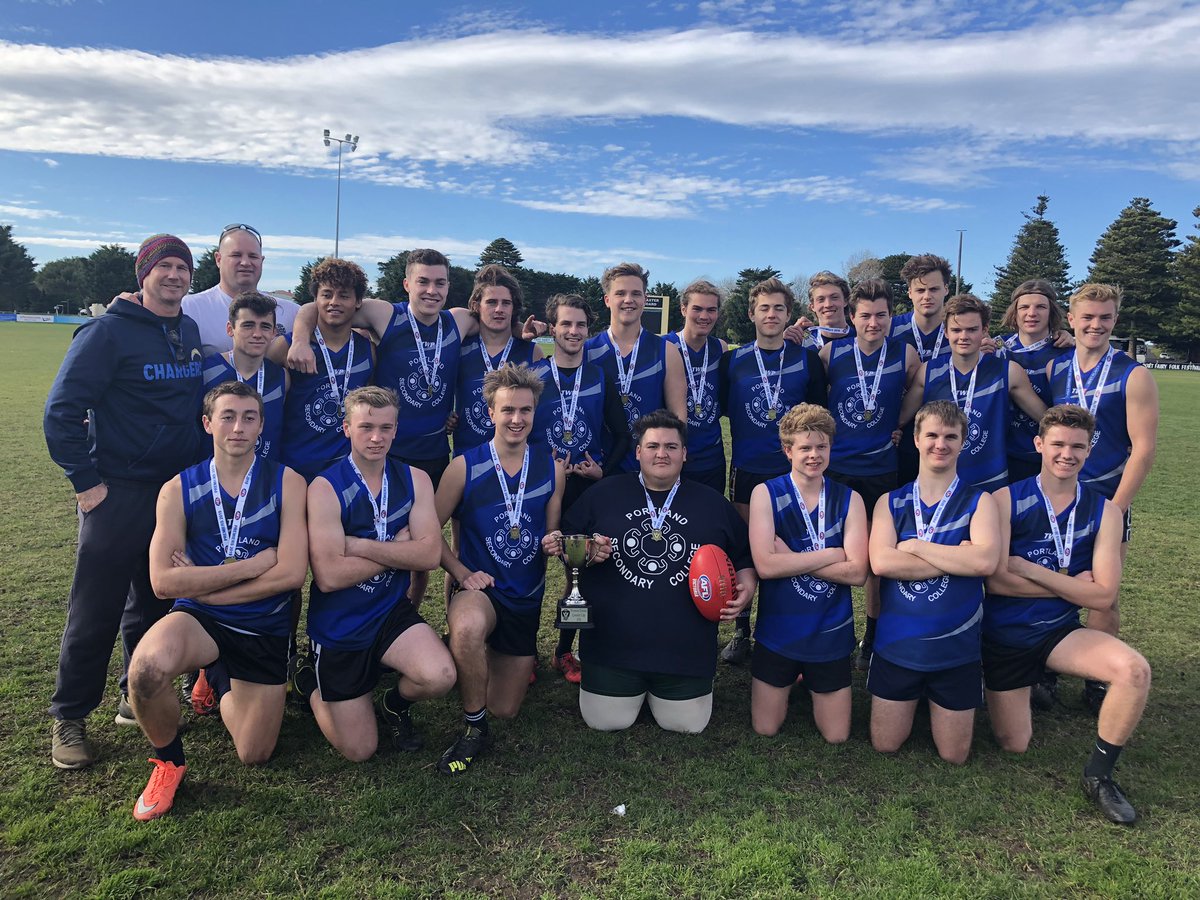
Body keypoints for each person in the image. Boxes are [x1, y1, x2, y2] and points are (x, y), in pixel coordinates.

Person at [288, 249, 542, 609]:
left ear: (448, 286)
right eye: (422, 281)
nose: (431, 290)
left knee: (425, 544)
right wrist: (300, 338)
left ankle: (408, 616)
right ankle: (361, 617)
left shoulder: (457, 321)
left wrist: (520, 329)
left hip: (436, 453)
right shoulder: (385, 314)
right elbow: (323, 304)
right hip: (389, 453)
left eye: (439, 282)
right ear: (407, 283)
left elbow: (495, 319)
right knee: (379, 540)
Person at [44, 234, 205, 769]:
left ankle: (132, 693)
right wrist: (86, 482)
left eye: (183, 267)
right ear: (144, 274)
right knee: (96, 607)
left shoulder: (187, 329)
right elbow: (62, 411)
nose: (175, 275)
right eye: (165, 266)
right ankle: (69, 715)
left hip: (171, 494)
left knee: (154, 602)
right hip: (118, 491)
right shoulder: (106, 332)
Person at [127, 382, 308, 820]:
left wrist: (202, 581)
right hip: (199, 616)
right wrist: (249, 566)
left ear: (262, 425)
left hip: (263, 624)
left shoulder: (289, 482)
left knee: (254, 754)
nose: (238, 427)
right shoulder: (177, 489)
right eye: (228, 416)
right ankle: (169, 762)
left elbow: (290, 574)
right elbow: (163, 583)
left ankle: (218, 675)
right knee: (146, 670)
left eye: (249, 417)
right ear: (208, 423)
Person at [984, 404, 1150, 825]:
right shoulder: (1004, 500)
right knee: (1013, 744)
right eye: (1057, 443)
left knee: (1133, 670)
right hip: (1001, 636)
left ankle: (1099, 775)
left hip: (1058, 633)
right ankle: (1004, 684)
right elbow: (996, 581)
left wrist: (1032, 569)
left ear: (1089, 450)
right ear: (1039, 444)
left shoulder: (1106, 511)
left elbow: (1104, 595)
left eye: (1077, 446)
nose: (1067, 453)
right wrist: (1071, 581)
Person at [559, 410, 757, 734]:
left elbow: (744, 555)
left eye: (671, 446)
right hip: (612, 648)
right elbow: (568, 542)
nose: (661, 454)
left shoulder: (712, 503)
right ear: (638, 452)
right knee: (606, 721)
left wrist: (747, 584)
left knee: (687, 724)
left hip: (685, 652)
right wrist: (586, 553)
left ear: (684, 453)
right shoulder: (603, 494)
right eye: (652, 446)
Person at [296, 387, 455, 761]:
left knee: (440, 675)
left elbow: (430, 553)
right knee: (360, 750)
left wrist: (360, 546)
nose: (376, 437)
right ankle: (310, 684)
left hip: (388, 612)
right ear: (347, 427)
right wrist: (400, 552)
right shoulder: (324, 487)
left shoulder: (415, 479)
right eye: (366, 427)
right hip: (340, 627)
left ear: (396, 430)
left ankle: (393, 701)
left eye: (386, 428)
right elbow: (330, 576)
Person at [435, 365, 565, 774]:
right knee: (471, 626)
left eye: (525, 410)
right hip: (480, 588)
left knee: (505, 707)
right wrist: (459, 571)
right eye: (507, 409)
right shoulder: (463, 466)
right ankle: (474, 729)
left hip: (524, 598)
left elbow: (552, 531)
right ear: (490, 412)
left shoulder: (551, 468)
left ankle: (469, 659)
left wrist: (554, 541)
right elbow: (427, 534)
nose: (516, 419)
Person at [868, 400, 1001, 764]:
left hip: (956, 651)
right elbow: (881, 562)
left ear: (962, 442)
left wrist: (913, 547)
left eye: (950, 437)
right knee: (885, 744)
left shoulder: (981, 501)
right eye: (931, 435)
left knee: (954, 755)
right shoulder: (889, 502)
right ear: (916, 438)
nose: (939, 444)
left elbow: (985, 561)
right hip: (898, 647)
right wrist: (956, 559)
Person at [1048, 283, 1159, 714]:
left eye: (1106, 318)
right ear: (1071, 320)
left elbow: (1144, 449)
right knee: (1052, 578)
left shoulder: (1134, 374)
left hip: (1108, 497)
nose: (1096, 325)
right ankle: (1047, 668)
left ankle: (1098, 680)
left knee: (1104, 591)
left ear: (1115, 320)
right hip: (1058, 497)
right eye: (1088, 317)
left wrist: (1116, 506)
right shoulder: (1057, 368)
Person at [719, 277, 827, 664]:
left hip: (793, 476)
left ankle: (785, 630)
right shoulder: (732, 360)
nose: (771, 314)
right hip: (747, 470)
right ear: (751, 314)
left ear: (788, 314)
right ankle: (741, 632)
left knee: (793, 551)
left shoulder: (806, 359)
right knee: (746, 551)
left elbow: (819, 415)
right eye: (764, 308)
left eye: (779, 308)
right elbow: (721, 408)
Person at [747, 404, 868, 742]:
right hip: (779, 633)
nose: (814, 455)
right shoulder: (765, 493)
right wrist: (831, 554)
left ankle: (809, 680)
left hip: (831, 635)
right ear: (788, 451)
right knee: (765, 728)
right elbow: (766, 567)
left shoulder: (850, 499)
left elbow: (858, 572)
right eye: (805, 448)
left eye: (821, 447)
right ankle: (793, 680)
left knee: (837, 736)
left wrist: (792, 556)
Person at [819, 279, 920, 671]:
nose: (873, 323)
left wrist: (900, 421)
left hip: (882, 470)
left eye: (880, 315)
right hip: (839, 469)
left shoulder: (905, 354)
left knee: (879, 561)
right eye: (865, 315)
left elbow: (919, 386)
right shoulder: (831, 353)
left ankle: (873, 637)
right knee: (832, 553)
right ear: (851, 316)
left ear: (891, 317)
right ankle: (830, 630)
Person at [531, 293, 632, 683]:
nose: (573, 332)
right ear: (552, 327)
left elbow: (623, 434)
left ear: (588, 331)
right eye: (566, 324)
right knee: (530, 573)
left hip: (585, 491)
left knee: (580, 576)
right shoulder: (533, 376)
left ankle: (563, 651)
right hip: (538, 490)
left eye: (580, 325)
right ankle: (523, 653)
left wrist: (601, 471)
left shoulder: (598, 377)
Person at [899, 294, 1047, 491]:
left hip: (991, 484)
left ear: (985, 330)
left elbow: (1046, 420)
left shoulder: (1008, 372)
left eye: (972, 329)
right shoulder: (928, 371)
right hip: (938, 485)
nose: (963, 336)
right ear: (946, 332)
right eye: (956, 330)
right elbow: (900, 419)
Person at [268, 258, 374, 482]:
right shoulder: (287, 346)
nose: (334, 302)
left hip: (348, 470)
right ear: (315, 299)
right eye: (326, 294)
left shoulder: (368, 351)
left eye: (344, 295)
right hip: (297, 465)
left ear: (357, 302)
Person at [584, 262, 687, 473]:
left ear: (645, 299)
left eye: (636, 294)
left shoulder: (666, 351)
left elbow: (679, 419)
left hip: (650, 469)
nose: (628, 300)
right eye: (620, 293)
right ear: (607, 300)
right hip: (599, 467)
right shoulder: (587, 351)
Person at [988, 280, 1072, 484]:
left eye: (1040, 307)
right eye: (1024, 307)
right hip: (1001, 456)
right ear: (1014, 312)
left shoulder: (1066, 352)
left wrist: (1077, 341)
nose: (1032, 313)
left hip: (1047, 457)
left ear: (1051, 311)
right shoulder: (995, 348)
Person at [184, 223, 299, 355]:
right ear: (218, 259)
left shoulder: (292, 313)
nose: (245, 262)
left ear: (262, 261)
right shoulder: (190, 308)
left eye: (253, 256)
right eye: (236, 255)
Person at [889, 254, 953, 485]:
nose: (927, 296)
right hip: (900, 431)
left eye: (934, 289)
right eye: (920, 290)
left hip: (945, 433)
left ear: (946, 289)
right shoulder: (889, 328)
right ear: (909, 293)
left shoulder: (960, 331)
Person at [201, 291, 288, 462]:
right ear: (230, 329)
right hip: (215, 479)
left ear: (273, 333)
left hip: (265, 478)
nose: (257, 334)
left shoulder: (281, 376)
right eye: (248, 325)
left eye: (265, 326)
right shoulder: (207, 371)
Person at [666, 280, 729, 494]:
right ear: (684, 309)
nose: (704, 316)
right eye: (697, 309)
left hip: (711, 457)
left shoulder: (720, 348)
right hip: (673, 455)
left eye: (711, 310)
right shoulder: (663, 346)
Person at [799, 271, 855, 348]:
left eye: (834, 297)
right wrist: (785, 342)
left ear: (845, 301)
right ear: (812, 306)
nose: (828, 305)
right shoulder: (803, 340)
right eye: (821, 299)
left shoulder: (861, 340)